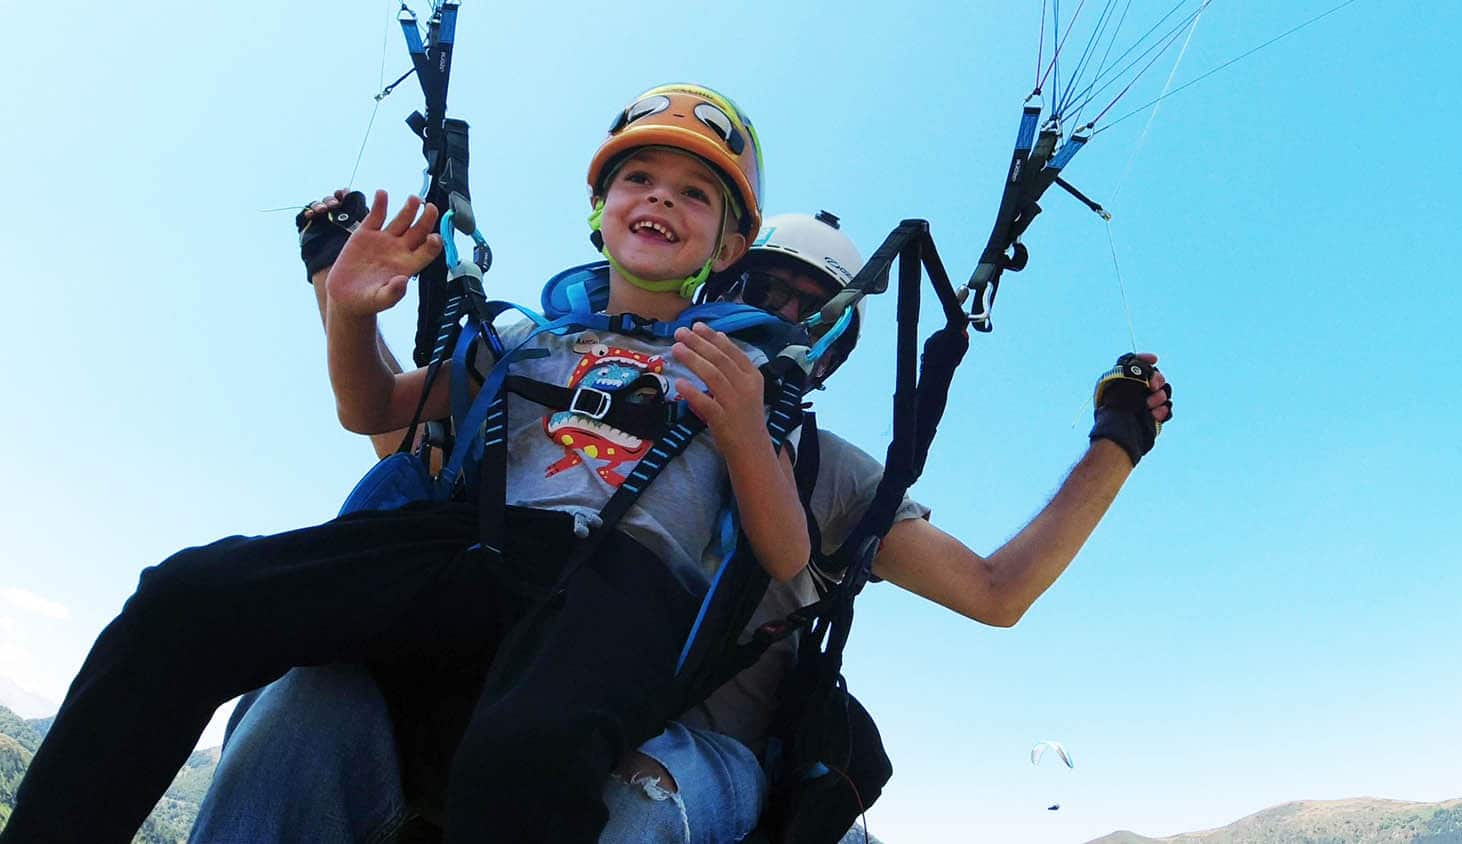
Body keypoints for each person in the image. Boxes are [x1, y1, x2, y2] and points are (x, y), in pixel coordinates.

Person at [188, 208, 1171, 842]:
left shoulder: (827, 470)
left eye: (817, 309)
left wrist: (1118, 441)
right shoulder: (581, 375)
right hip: (504, 714)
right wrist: (337, 284)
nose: (790, 316)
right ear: (722, 289)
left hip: (689, 757)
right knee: (301, 702)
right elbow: (412, 454)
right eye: (770, 292)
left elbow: (995, 592)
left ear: (835, 347)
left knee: (638, 798)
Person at [1, 83, 810, 844]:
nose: (661, 198)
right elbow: (375, 409)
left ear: (731, 245)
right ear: (600, 208)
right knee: (187, 598)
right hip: (481, 542)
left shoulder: (741, 371)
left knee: (522, 763)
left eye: (694, 193)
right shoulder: (523, 339)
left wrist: (744, 432)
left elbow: (784, 554)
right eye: (639, 178)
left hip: (624, 584)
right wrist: (348, 316)